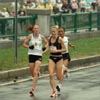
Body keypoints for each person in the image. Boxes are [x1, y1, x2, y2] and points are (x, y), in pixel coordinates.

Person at [23, 24, 48, 96]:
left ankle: (33, 89)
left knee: (35, 71)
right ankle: (37, 74)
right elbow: (24, 44)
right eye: (35, 28)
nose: (36, 30)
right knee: (33, 73)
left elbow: (47, 43)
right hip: (31, 55)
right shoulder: (30, 36)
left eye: (37, 28)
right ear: (33, 29)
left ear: (39, 29)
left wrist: (44, 49)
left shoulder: (41, 37)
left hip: (38, 55)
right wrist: (29, 46)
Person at [47, 26, 66, 97]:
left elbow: (64, 49)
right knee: (51, 75)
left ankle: (63, 69)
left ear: (57, 32)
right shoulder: (49, 38)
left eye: (54, 31)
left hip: (59, 58)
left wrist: (57, 50)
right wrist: (44, 51)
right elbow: (48, 47)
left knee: (58, 77)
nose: (53, 33)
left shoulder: (59, 39)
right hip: (51, 58)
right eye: (52, 32)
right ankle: (54, 90)